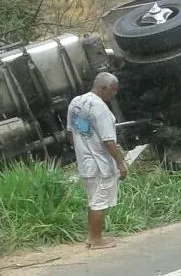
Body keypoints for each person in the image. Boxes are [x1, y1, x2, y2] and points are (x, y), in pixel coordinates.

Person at [67, 71, 128, 250]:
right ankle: (95, 239)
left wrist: (84, 148)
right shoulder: (100, 107)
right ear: (104, 87)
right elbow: (108, 141)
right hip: (100, 164)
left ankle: (91, 237)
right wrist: (120, 163)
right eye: (113, 90)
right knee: (99, 202)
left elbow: (73, 133)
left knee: (93, 200)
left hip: (85, 162)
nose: (114, 94)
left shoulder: (76, 102)